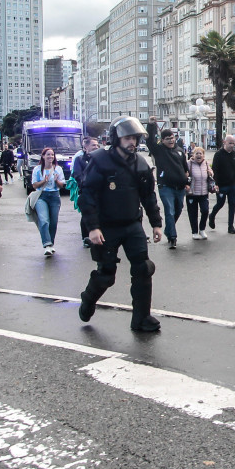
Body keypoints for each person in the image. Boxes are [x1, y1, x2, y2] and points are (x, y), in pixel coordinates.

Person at [77, 117, 164, 332]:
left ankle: (141, 319)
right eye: (127, 137)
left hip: (132, 224)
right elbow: (86, 196)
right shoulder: (99, 161)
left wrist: (156, 223)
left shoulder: (141, 163)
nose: (131, 142)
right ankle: (88, 299)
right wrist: (93, 227)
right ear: (116, 138)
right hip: (106, 227)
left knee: (143, 269)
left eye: (134, 137)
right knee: (106, 275)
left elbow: (148, 196)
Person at [146, 117, 190, 249]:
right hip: (166, 187)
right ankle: (172, 237)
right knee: (169, 211)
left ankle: (168, 230)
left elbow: (185, 169)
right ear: (162, 140)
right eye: (167, 139)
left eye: (172, 138)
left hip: (180, 187)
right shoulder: (159, 150)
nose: (171, 140)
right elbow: (150, 141)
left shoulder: (180, 151)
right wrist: (152, 125)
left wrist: (187, 182)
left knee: (178, 209)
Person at [32, 147, 65, 256]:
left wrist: (56, 181)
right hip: (41, 196)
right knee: (44, 220)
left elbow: (62, 185)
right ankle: (46, 244)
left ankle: (51, 244)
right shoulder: (37, 169)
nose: (50, 157)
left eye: (52, 155)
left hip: (54, 196)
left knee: (53, 221)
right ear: (43, 156)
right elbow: (34, 185)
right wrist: (43, 181)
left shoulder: (58, 169)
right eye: (48, 155)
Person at [72, 136, 101, 248]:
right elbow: (77, 175)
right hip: (86, 192)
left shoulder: (100, 159)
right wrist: (85, 184)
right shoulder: (79, 159)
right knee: (87, 213)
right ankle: (86, 237)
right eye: (93, 145)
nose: (96, 147)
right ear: (86, 147)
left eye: (97, 145)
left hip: (99, 192)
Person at [209, 135, 235, 234]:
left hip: (232, 184)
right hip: (222, 185)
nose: (231, 145)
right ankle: (212, 215)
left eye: (233, 143)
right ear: (224, 142)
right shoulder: (218, 155)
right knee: (220, 203)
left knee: (232, 204)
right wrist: (216, 184)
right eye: (230, 143)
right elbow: (215, 170)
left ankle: (230, 226)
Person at [186, 147, 214, 240]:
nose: (199, 155)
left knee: (205, 211)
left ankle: (202, 229)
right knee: (193, 214)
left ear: (203, 155)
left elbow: (211, 173)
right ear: (193, 155)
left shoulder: (205, 163)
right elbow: (183, 174)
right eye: (196, 154)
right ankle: (194, 232)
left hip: (204, 192)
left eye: (200, 154)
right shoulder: (188, 164)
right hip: (192, 193)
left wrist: (210, 172)